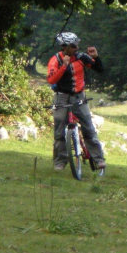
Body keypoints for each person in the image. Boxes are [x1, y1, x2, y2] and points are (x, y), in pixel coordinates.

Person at [47, 32, 106, 171]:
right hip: (61, 96)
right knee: (59, 130)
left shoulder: (81, 57)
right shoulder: (55, 60)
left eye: (77, 45)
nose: (77, 48)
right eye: (73, 46)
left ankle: (98, 159)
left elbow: (99, 69)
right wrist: (64, 66)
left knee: (88, 127)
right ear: (64, 47)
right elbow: (51, 80)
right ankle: (60, 161)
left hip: (79, 96)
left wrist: (96, 57)